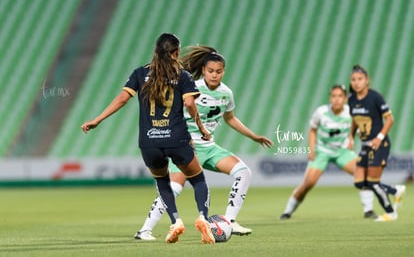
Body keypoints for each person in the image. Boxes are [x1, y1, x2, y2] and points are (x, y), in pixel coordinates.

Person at [81, 33, 215, 244]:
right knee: (198, 179)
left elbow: (122, 99)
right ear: (176, 52)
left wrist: (97, 119)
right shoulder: (182, 75)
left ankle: (176, 221)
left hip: (149, 141)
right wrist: (201, 127)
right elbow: (190, 104)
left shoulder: (140, 73)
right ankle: (202, 218)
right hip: (177, 139)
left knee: (162, 182)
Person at [134, 46, 274, 241]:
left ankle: (230, 222)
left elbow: (230, 118)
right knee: (174, 187)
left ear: (223, 71)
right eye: (210, 71)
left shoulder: (226, 93)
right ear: (203, 70)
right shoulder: (191, 87)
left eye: (218, 71)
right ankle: (145, 230)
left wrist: (254, 136)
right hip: (185, 146)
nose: (214, 75)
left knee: (243, 172)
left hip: (209, 147)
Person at [280, 85, 377, 220]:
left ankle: (368, 210)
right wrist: (312, 148)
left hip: (342, 151)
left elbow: (358, 129)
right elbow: (313, 129)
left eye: (340, 96)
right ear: (330, 98)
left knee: (362, 173)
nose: (336, 99)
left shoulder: (352, 112)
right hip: (322, 151)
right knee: (308, 183)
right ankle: (287, 211)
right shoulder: (321, 112)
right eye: (333, 96)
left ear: (345, 98)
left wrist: (352, 139)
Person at [348, 65, 406, 222]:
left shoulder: (375, 97)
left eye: (360, 79)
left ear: (367, 80)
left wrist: (379, 137)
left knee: (373, 183)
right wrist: (351, 137)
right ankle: (395, 190)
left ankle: (391, 213)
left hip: (379, 145)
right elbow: (355, 120)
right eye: (353, 79)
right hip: (365, 145)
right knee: (360, 182)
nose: (356, 82)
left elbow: (390, 119)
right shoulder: (351, 99)